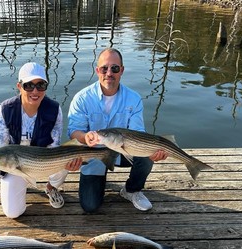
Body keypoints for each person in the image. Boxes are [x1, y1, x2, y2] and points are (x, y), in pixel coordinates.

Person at [67, 48, 168, 213]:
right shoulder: (82, 98)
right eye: (104, 68)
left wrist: (152, 152)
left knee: (146, 157)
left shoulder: (133, 98)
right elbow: (73, 131)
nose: (109, 73)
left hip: (123, 151)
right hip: (94, 155)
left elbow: (138, 133)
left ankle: (131, 190)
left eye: (114, 68)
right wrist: (85, 137)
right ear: (97, 70)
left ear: (121, 70)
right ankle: (98, 180)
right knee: (90, 206)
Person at [0, 62, 79, 218]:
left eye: (41, 85)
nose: (35, 91)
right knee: (13, 213)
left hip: (45, 160)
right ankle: (23, 182)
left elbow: (54, 146)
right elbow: (0, 147)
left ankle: (51, 187)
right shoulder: (4, 111)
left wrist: (70, 164)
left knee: (65, 160)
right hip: (15, 164)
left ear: (46, 87)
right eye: (28, 85)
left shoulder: (54, 110)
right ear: (19, 86)